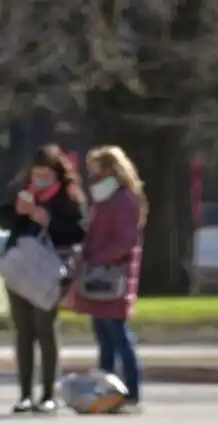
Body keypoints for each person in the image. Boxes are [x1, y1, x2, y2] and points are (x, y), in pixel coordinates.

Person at [0, 144, 86, 414]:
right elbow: (2, 218)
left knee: (46, 329)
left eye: (46, 174)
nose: (41, 179)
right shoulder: (21, 191)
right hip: (21, 267)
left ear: (58, 175)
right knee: (23, 330)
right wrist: (18, 212)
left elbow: (78, 232)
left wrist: (47, 219)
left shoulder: (68, 199)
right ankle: (25, 394)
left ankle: (48, 393)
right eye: (37, 174)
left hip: (50, 269)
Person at [71, 145, 146, 411]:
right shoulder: (105, 200)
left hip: (113, 278)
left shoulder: (124, 200)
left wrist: (97, 258)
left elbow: (124, 242)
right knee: (104, 338)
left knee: (118, 336)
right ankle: (107, 391)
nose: (94, 175)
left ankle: (132, 392)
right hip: (99, 278)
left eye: (98, 169)